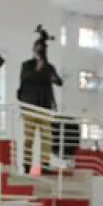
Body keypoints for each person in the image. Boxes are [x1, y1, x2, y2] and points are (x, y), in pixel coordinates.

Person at [17, 35, 63, 174]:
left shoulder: (49, 67)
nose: (40, 51)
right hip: (30, 107)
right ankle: (26, 165)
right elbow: (26, 78)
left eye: (42, 49)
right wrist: (38, 68)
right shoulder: (26, 65)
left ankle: (45, 164)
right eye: (38, 48)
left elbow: (59, 82)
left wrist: (50, 73)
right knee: (29, 139)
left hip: (44, 106)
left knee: (46, 138)